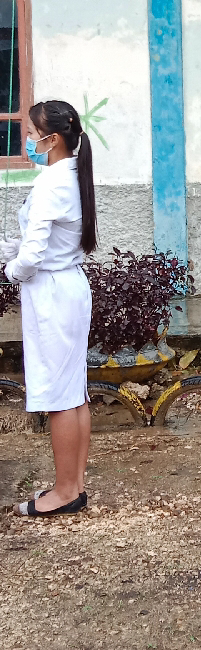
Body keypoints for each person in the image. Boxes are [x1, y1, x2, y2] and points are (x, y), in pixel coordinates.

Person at [2, 100, 98, 517]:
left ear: (51, 139)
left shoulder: (51, 183)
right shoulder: (71, 175)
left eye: (30, 132)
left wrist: (10, 270)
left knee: (60, 396)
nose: (27, 141)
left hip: (52, 294)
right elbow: (36, 238)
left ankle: (62, 492)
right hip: (70, 288)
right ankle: (73, 486)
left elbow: (32, 256)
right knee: (73, 392)